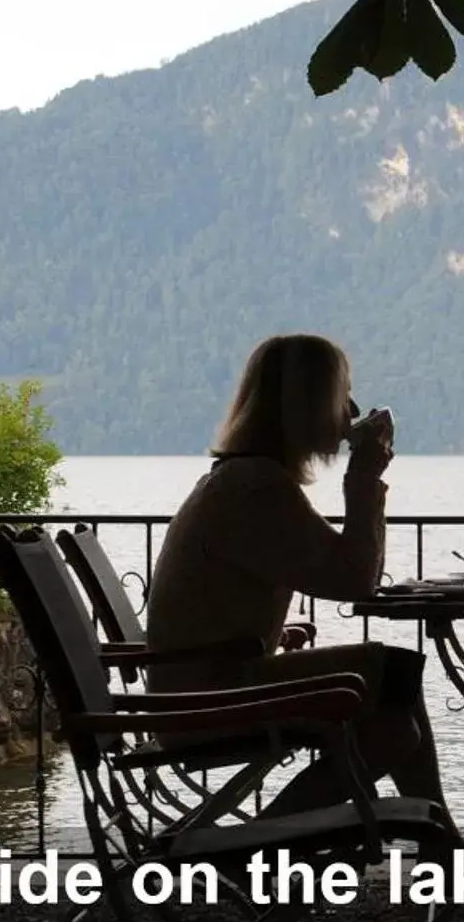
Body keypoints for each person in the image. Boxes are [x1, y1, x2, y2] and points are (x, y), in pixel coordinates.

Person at [142, 334, 447, 816]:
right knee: (393, 681)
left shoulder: (242, 478)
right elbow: (354, 580)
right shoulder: (253, 490)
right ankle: (263, 847)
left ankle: (438, 841)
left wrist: (271, 632)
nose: (351, 408)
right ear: (307, 405)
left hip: (205, 684)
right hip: (207, 702)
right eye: (339, 394)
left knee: (394, 711)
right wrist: (363, 476)